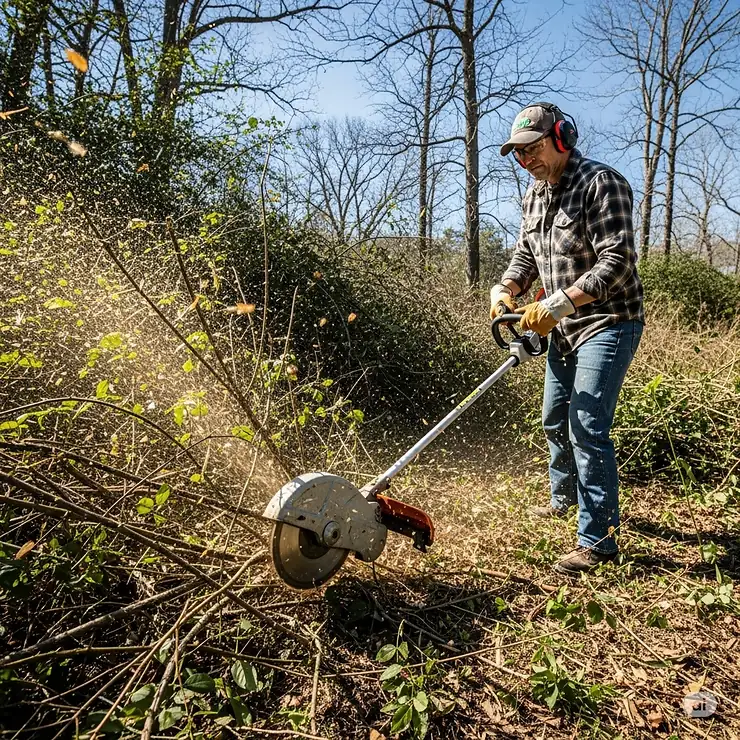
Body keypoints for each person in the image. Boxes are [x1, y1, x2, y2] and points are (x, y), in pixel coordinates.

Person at [490, 102, 644, 575]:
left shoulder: (603, 183)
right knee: (554, 419)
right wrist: (506, 290)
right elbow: (526, 256)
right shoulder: (533, 196)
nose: (525, 159)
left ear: (562, 137)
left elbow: (616, 262)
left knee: (587, 425)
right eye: (517, 153)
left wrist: (559, 302)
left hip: (608, 322)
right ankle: (564, 499)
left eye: (533, 148)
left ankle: (598, 539)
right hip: (562, 329)